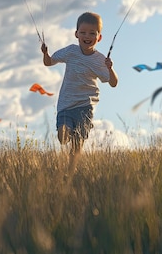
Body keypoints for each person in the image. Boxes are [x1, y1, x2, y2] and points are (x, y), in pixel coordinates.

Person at [41, 12, 118, 174]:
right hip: (66, 105)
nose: (87, 36)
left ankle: (70, 173)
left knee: (77, 144)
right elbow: (49, 63)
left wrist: (110, 68)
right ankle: (67, 158)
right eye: (83, 32)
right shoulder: (70, 51)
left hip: (85, 106)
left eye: (92, 33)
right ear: (76, 34)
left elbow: (113, 83)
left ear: (99, 37)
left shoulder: (100, 60)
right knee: (63, 137)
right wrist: (45, 53)